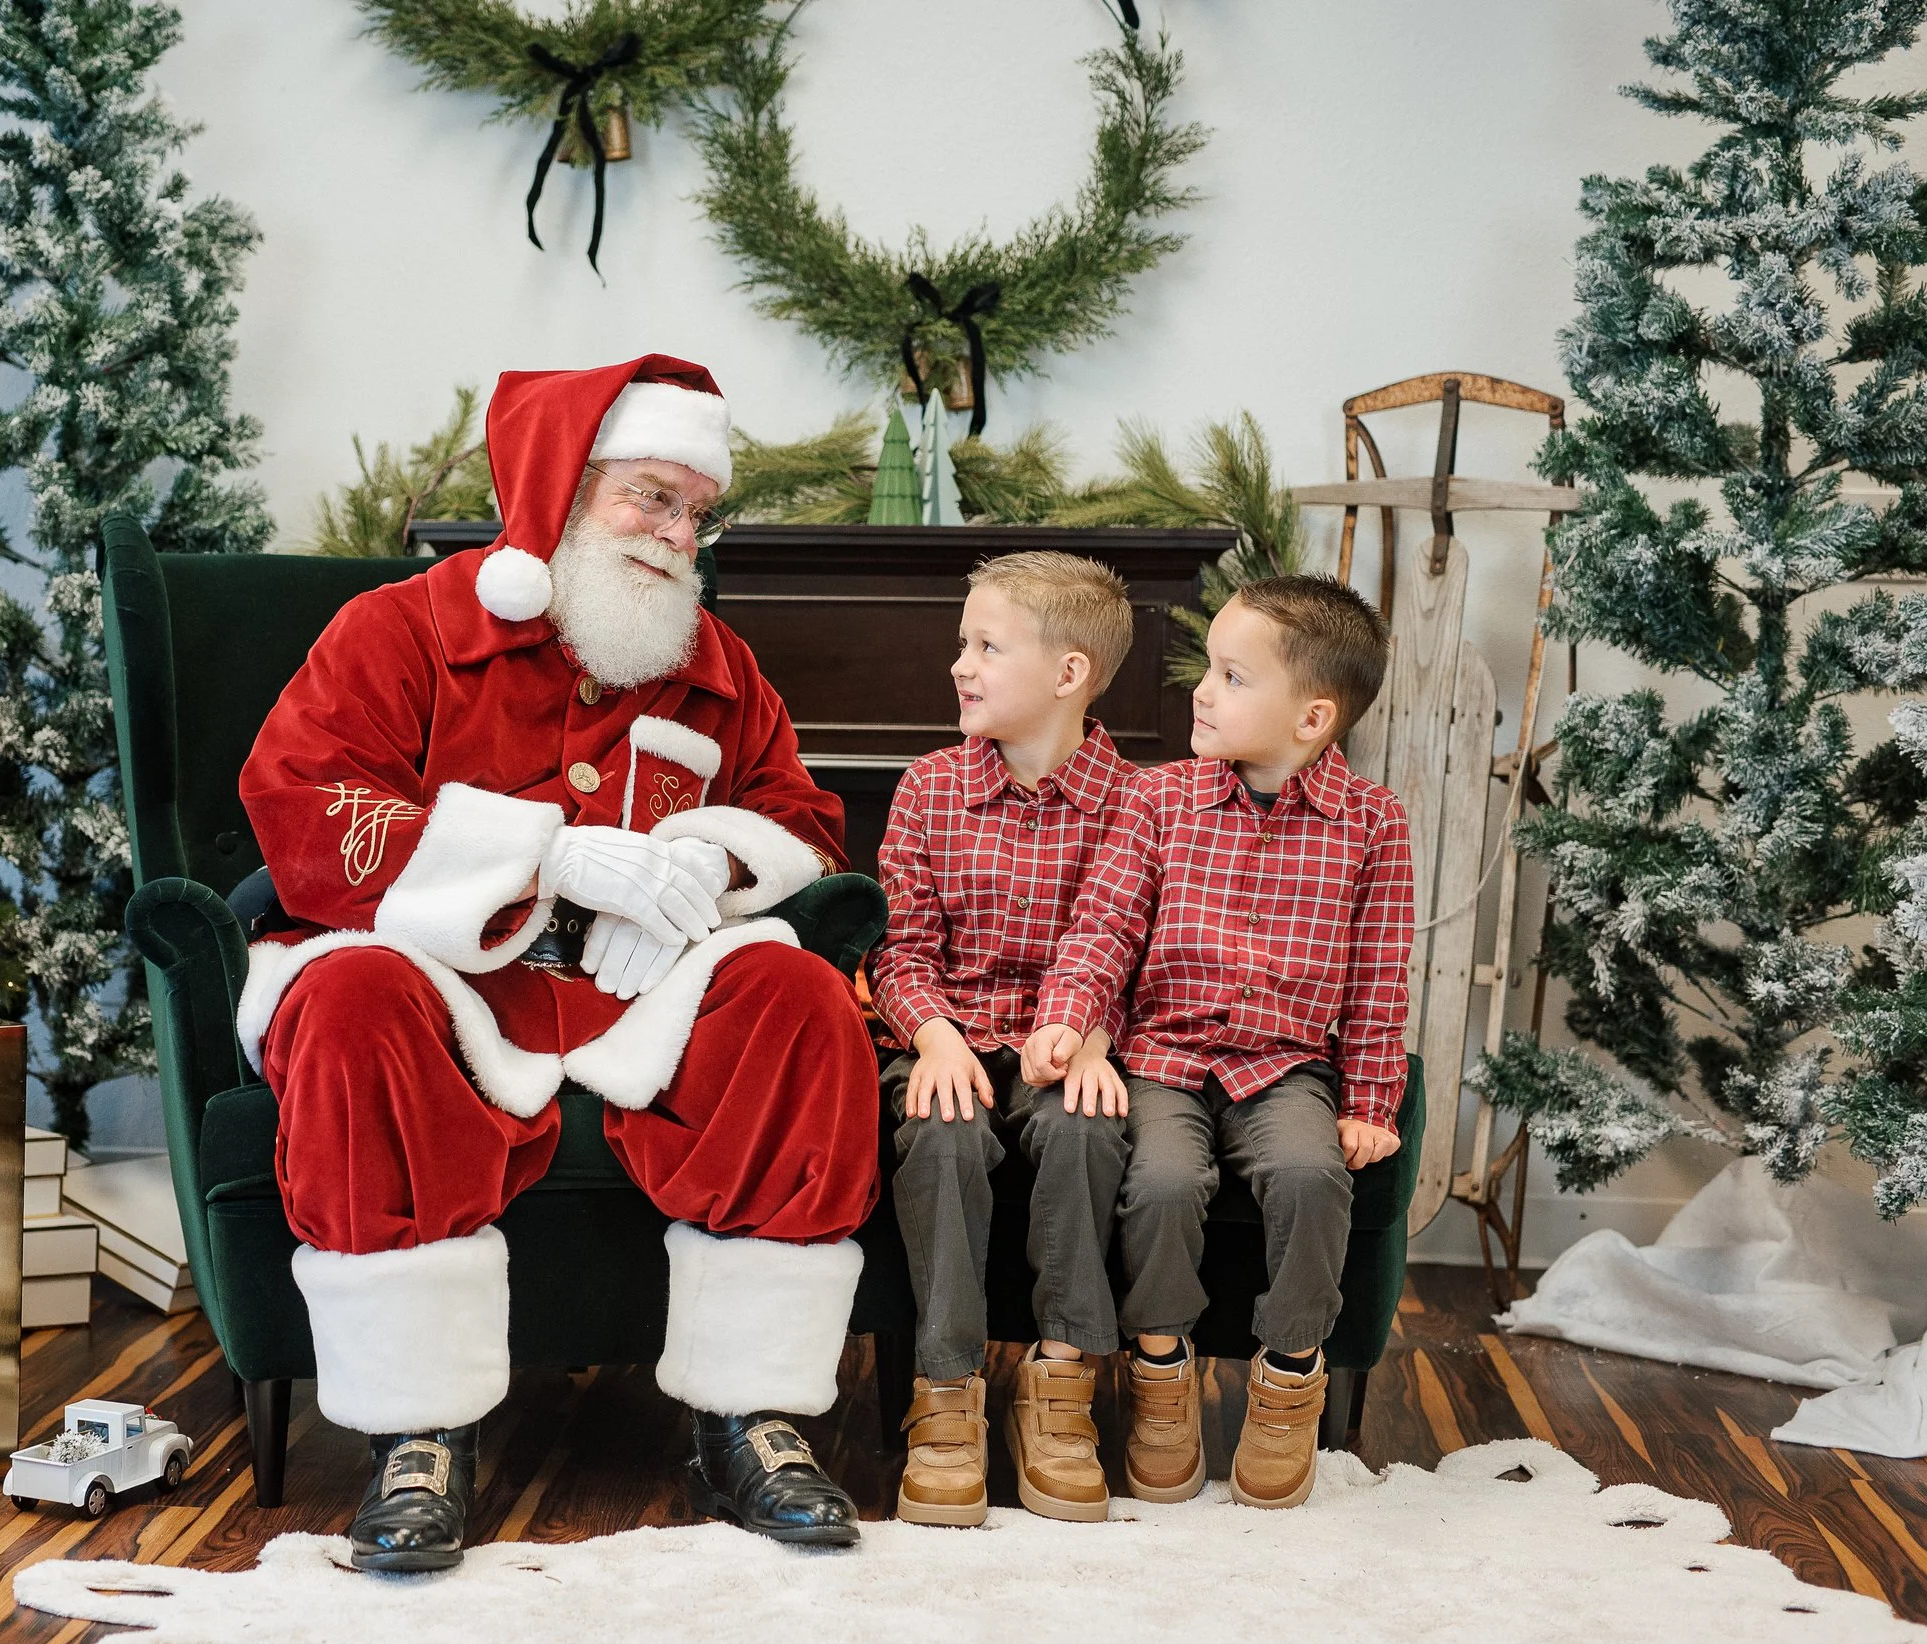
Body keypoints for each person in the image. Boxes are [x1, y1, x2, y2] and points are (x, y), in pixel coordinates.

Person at [234, 356, 879, 1572]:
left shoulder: (714, 658)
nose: (677, 534)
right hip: (444, 975)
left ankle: (751, 1412)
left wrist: (709, 865)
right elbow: (304, 802)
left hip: (637, 988)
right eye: (649, 497)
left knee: (796, 994)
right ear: (562, 492)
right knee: (345, 995)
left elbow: (800, 820)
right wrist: (549, 855)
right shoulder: (400, 628)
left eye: (695, 511)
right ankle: (417, 1432)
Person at [1024, 574, 1413, 1510]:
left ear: (1313, 716)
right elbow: (1104, 927)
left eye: (1234, 676)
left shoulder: (1373, 825)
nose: (1201, 689)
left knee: (1314, 1178)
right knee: (1159, 1182)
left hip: (1287, 1067)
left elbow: (1379, 978)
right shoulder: (1158, 801)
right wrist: (1068, 1019)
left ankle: (1289, 1377)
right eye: (1210, 667)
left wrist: (1369, 1103)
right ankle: (1162, 1372)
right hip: (1166, 1056)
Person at [868, 551, 1137, 1526]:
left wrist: (1082, 1029)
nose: (959, 664)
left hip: (1068, 1038)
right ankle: (943, 1391)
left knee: (1082, 1128)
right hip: (947, 1028)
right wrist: (932, 1036)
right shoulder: (929, 788)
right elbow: (900, 948)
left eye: (986, 645)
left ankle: (1058, 1389)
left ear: (1068, 673)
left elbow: (1115, 933)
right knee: (937, 1130)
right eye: (960, 642)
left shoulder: (1135, 802)